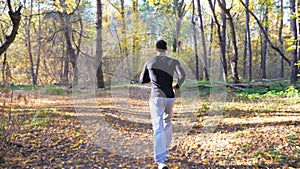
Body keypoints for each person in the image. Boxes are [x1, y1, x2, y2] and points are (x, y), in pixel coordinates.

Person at [140, 40, 186, 169]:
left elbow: (142, 80)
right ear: (166, 49)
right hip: (169, 97)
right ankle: (165, 150)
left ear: (156, 49)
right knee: (167, 122)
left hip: (156, 97)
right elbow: (182, 75)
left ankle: (161, 161)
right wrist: (176, 87)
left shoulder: (150, 62)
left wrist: (152, 76)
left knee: (158, 126)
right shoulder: (173, 62)